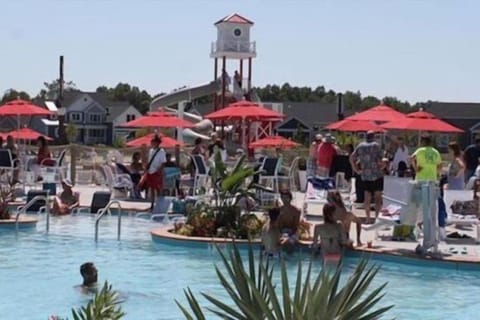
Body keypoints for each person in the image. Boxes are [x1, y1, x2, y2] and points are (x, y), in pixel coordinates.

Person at [350, 131, 384, 222]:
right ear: (374, 137)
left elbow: (352, 157)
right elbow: (380, 160)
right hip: (376, 175)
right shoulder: (376, 145)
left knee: (367, 198)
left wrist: (356, 169)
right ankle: (377, 218)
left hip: (365, 175)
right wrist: (383, 166)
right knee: (377, 198)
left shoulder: (360, 146)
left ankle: (368, 218)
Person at [144, 135, 166, 209]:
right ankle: (152, 204)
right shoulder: (151, 150)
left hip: (157, 172)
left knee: (158, 189)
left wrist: (159, 171)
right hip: (150, 172)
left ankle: (159, 204)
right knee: (152, 189)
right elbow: (149, 160)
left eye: (153, 141)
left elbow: (163, 163)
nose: (151, 143)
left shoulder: (161, 151)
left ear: (157, 143)